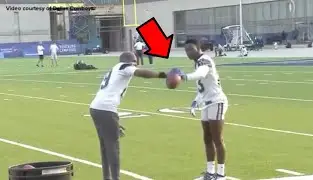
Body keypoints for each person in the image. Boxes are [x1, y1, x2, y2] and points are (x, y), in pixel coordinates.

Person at [89, 52, 167, 180]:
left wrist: (114, 122)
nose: (136, 64)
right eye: (135, 61)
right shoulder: (125, 67)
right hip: (106, 109)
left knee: (105, 146)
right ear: (129, 61)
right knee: (113, 147)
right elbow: (141, 73)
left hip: (96, 108)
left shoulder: (115, 68)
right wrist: (162, 75)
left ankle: (107, 177)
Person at [178, 39, 228, 180]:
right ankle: (210, 172)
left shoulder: (205, 60)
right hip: (206, 103)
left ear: (198, 48)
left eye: (191, 49)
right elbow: (202, 89)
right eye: (186, 50)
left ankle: (221, 173)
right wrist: (195, 102)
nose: (188, 53)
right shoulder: (197, 62)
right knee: (207, 138)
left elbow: (201, 74)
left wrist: (184, 77)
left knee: (217, 139)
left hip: (217, 101)